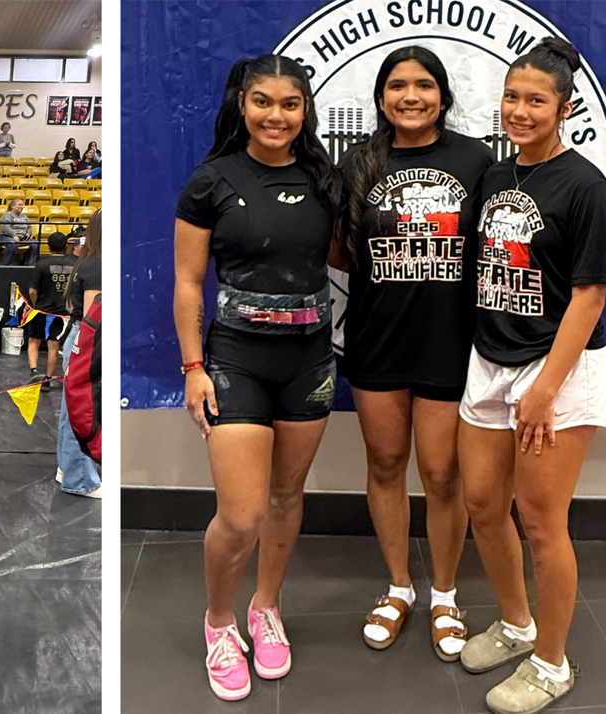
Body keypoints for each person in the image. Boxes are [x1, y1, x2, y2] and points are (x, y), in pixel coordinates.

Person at [174, 55, 342, 700]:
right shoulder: (210, 180)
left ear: (306, 112)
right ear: (242, 105)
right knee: (241, 515)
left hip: (309, 362)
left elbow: (345, 255)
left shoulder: (323, 179)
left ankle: (265, 607)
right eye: (263, 102)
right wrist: (194, 367)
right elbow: (188, 283)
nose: (277, 115)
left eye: (290, 104)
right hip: (235, 361)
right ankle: (220, 621)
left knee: (286, 498)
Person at [457, 39, 606, 714]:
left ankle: (553, 664)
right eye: (512, 97)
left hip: (559, 369)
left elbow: (590, 296)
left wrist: (546, 388)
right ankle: (518, 624)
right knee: (484, 507)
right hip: (488, 361)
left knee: (543, 522)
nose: (520, 111)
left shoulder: (583, 185)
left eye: (536, 101)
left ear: (565, 107)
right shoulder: (498, 177)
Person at [335, 46, 495, 662]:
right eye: (397, 85)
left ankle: (446, 594)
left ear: (444, 97)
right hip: (376, 340)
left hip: (449, 344)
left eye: (424, 85)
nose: (411, 96)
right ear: (381, 98)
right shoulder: (358, 163)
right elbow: (340, 251)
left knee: (444, 473)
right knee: (385, 464)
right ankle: (400, 586)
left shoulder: (475, 160)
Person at [56, 209, 101, 498]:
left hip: (79, 337)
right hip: (89, 340)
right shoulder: (98, 266)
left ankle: (67, 468)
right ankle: (80, 479)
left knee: (70, 409)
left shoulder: (87, 262)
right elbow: (94, 315)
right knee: (83, 411)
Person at [26, 232, 77, 392]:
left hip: (42, 310)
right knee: (53, 346)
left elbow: (33, 290)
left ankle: (34, 371)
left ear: (48, 246)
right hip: (63, 313)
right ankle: (47, 378)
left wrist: (35, 305)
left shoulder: (42, 264)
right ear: (66, 246)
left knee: (34, 340)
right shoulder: (74, 264)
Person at [0, 198, 38, 266]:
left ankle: (31, 265)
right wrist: (14, 235)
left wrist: (28, 235)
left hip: (22, 237)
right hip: (6, 236)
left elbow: (29, 226)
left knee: (35, 244)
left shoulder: (24, 216)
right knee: (12, 243)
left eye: (22, 205)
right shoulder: (7, 215)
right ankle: (7, 265)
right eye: (19, 205)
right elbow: (5, 227)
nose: (21, 207)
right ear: (13, 206)